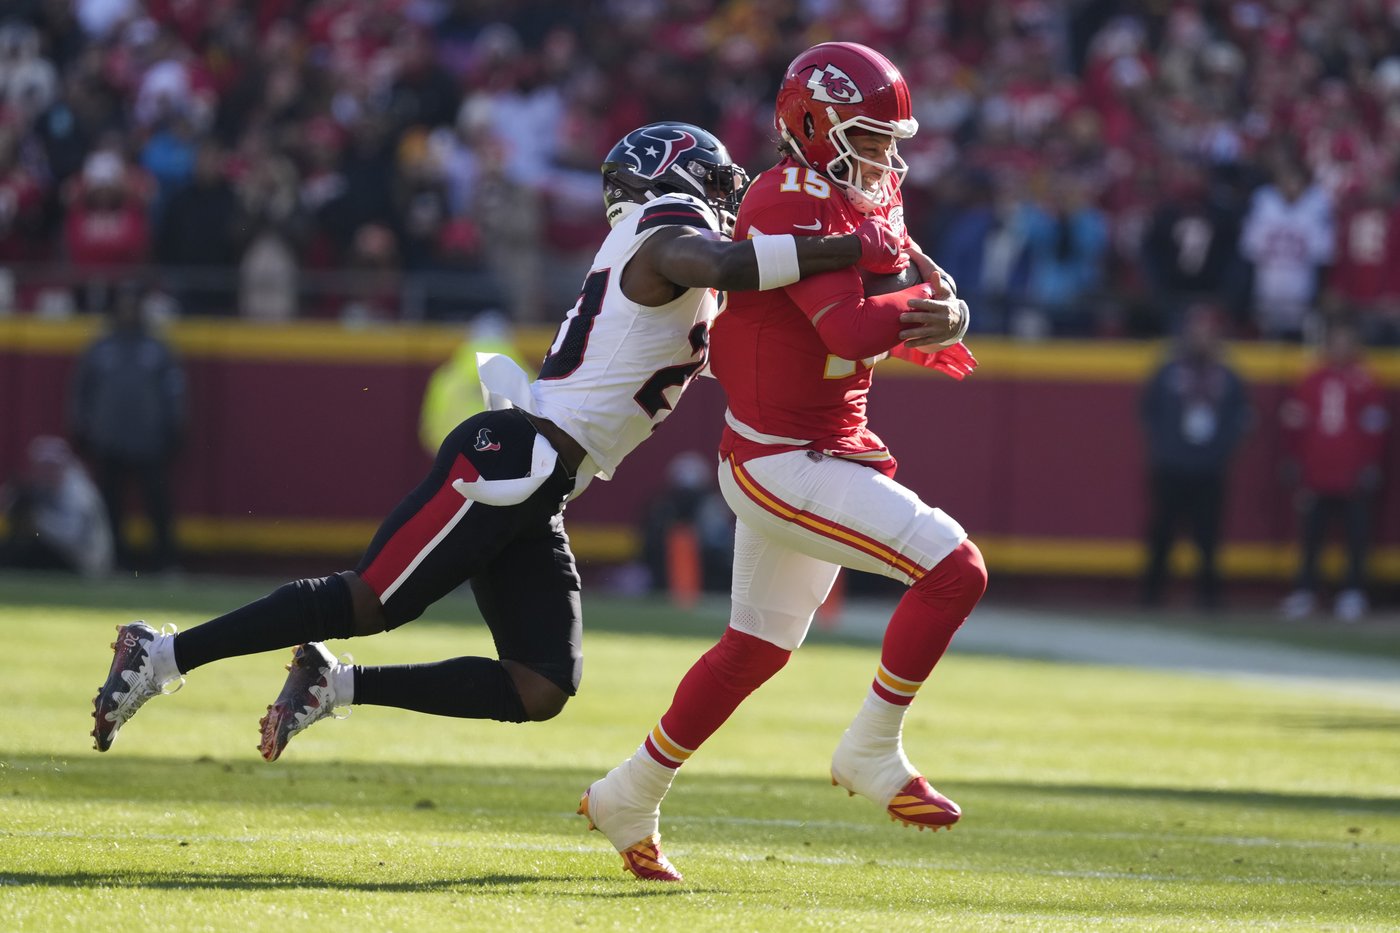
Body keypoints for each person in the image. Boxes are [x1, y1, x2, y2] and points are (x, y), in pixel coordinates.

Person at [90, 120, 914, 763]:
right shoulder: (665, 227)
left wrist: (901, 300)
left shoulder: (678, 249)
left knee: (540, 683)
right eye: (718, 179)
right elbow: (727, 263)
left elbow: (754, 297)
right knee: (370, 599)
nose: (729, 195)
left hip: (542, 480)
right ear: (677, 172)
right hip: (513, 455)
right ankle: (163, 652)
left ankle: (333, 684)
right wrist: (852, 244)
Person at [578, 43, 985, 882]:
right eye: (867, 135)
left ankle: (628, 792)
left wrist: (944, 311)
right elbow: (850, 328)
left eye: (889, 138)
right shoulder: (784, 197)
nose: (884, 155)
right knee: (954, 570)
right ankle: (872, 746)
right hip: (781, 458)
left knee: (754, 648)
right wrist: (926, 312)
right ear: (813, 124)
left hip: (820, 443)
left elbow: (910, 281)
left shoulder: (866, 190)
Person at [1138, 304, 1252, 610]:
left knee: (1209, 537)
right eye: (1196, 331)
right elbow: (1148, 411)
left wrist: (1221, 452)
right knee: (1162, 533)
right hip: (1171, 465)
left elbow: (1240, 418)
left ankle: (1209, 597)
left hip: (1209, 468)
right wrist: (1164, 447)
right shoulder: (1168, 371)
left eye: (1207, 333)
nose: (1201, 339)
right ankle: (1151, 594)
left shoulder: (1227, 376)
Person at [70, 283, 187, 571]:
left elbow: (174, 390)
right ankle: (116, 560)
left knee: (157, 503)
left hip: (149, 440)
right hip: (109, 438)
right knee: (110, 506)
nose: (128, 310)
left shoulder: (157, 348)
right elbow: (82, 390)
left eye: (133, 304)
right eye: (123, 304)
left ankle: (166, 561)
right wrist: (81, 426)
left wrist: (175, 426)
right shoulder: (100, 347)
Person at [1278, 319, 1390, 622]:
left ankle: (1353, 591)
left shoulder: (1365, 381)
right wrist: (1295, 459)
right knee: (1311, 535)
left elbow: (1375, 427)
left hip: (1351, 470)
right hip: (1316, 469)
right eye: (1336, 342)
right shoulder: (1311, 379)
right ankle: (1306, 590)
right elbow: (1295, 422)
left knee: (1356, 535)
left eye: (1346, 342)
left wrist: (1369, 464)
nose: (1340, 349)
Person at [0, 435, 113, 577]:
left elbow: (72, 535)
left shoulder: (78, 492)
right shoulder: (48, 487)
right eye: (42, 467)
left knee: (23, 549)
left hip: (86, 561)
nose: (45, 473)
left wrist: (37, 520)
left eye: (50, 467)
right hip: (69, 556)